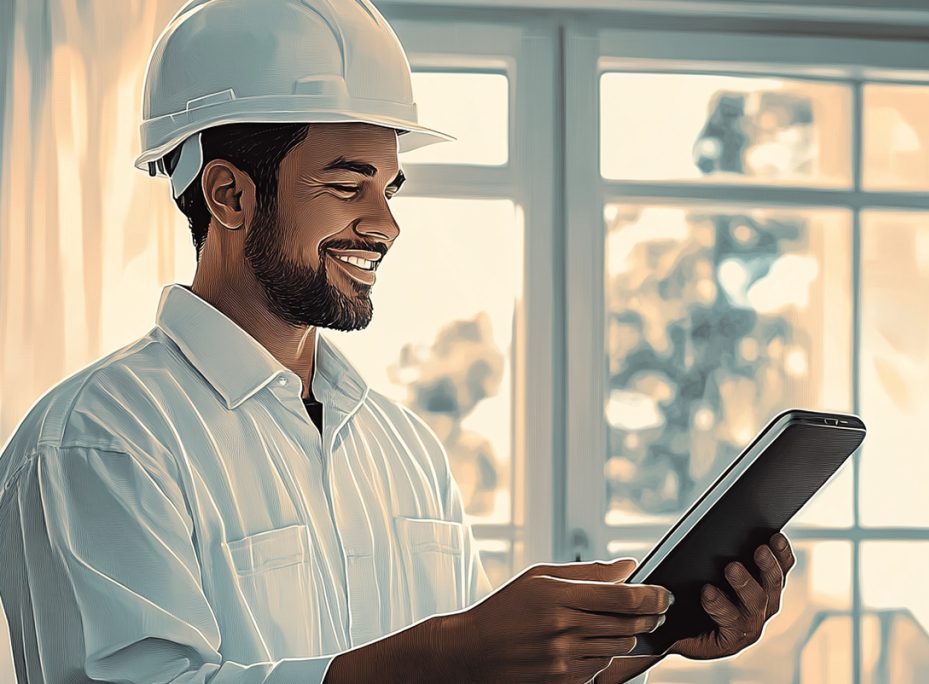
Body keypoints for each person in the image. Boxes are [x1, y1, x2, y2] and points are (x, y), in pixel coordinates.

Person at [0, 1, 794, 682]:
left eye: (389, 187)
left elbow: (470, 679)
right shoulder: (95, 444)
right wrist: (454, 650)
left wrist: (646, 641)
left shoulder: (404, 448)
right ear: (229, 194)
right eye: (347, 186)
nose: (384, 224)